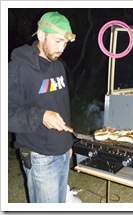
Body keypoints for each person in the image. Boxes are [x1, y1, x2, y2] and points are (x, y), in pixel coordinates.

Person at [8, 11, 76, 203]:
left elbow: (62, 107)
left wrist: (67, 143)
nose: (62, 48)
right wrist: (40, 116)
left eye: (65, 43)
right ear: (41, 35)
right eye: (57, 41)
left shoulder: (58, 66)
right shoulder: (18, 69)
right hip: (40, 157)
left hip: (62, 152)